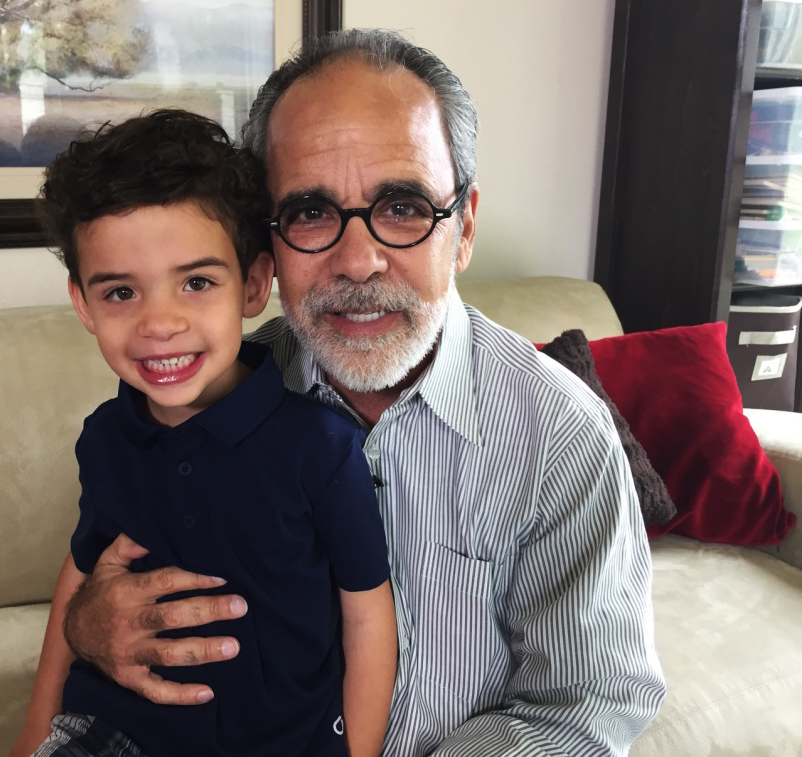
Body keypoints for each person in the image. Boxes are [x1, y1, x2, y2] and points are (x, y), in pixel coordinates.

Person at [61, 29, 667, 757]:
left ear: (464, 227)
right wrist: (85, 625)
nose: (358, 260)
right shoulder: (206, 386)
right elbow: (109, 552)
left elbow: (586, 707)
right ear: (267, 246)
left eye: (404, 206)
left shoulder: (561, 434)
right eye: (311, 211)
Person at [9, 109, 397, 757]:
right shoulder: (104, 438)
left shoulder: (321, 448)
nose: (160, 323)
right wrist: (33, 731)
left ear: (253, 284)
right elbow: (82, 570)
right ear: (83, 304)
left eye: (195, 282)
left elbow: (367, 616)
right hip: (116, 730)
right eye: (121, 292)